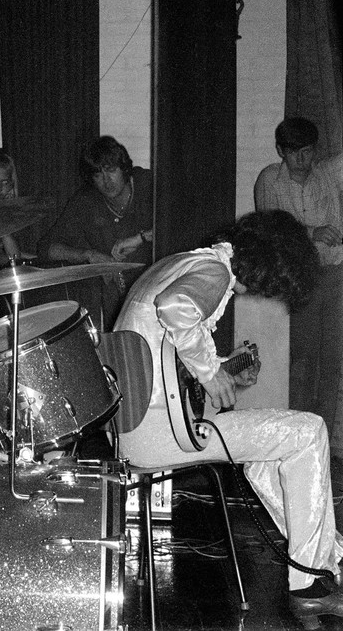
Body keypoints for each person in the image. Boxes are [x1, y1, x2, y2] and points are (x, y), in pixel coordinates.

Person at [114, 209, 343, 623]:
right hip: (161, 432)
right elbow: (175, 306)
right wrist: (210, 369)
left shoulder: (183, 262)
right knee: (310, 430)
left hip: (137, 430)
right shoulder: (214, 271)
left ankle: (323, 562)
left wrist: (225, 368)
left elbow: (168, 359)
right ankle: (309, 582)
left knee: (272, 449)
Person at [254, 117, 343, 458]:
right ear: (281, 151)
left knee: (332, 360)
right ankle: (298, 441)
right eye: (294, 152)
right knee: (302, 360)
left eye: (307, 152)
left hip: (335, 274)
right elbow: (271, 231)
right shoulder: (269, 180)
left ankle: (321, 443)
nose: (302, 160)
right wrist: (312, 232)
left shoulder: (326, 176)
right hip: (300, 280)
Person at [37, 136, 154, 327]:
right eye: (98, 175)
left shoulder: (148, 184)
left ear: (124, 168)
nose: (107, 181)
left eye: (111, 171)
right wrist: (88, 255)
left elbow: (182, 225)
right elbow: (46, 248)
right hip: (118, 310)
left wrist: (141, 238)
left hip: (160, 293)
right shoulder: (86, 201)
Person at [0, 148, 36, 270]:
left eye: (4, 182)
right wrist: (9, 258)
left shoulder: (6, 212)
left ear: (11, 184)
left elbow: (15, 254)